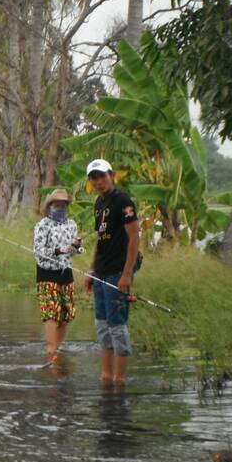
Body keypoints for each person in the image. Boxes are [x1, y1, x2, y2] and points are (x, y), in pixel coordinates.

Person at [82, 159, 140, 385]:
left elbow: (134, 237)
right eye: (94, 178)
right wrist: (90, 270)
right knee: (102, 325)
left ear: (111, 175)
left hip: (118, 271)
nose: (98, 181)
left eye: (102, 176)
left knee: (117, 326)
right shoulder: (99, 202)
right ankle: (106, 376)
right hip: (101, 272)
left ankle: (120, 379)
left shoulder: (123, 201)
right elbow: (100, 240)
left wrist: (127, 274)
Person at [33, 188, 80, 366]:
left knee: (66, 313)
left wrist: (76, 247)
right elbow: (38, 252)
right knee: (51, 312)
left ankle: (57, 350)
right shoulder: (42, 225)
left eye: (63, 205)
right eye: (56, 204)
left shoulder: (72, 224)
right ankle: (51, 351)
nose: (60, 207)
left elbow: (75, 251)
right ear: (50, 206)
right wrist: (59, 250)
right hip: (47, 273)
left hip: (66, 272)